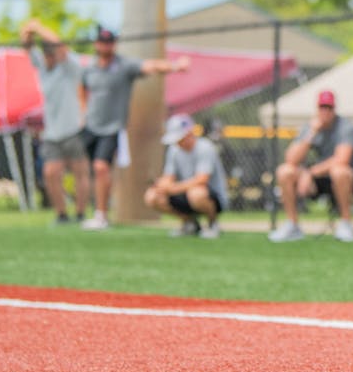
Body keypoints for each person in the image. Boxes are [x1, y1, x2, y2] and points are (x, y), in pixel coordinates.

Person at [79, 25, 190, 231]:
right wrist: (83, 112)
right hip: (91, 126)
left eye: (110, 42)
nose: (106, 46)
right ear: (96, 44)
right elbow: (82, 87)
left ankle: (101, 215)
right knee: (94, 170)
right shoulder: (90, 67)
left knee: (101, 167)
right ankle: (95, 211)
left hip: (112, 127)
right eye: (103, 42)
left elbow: (152, 65)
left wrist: (175, 66)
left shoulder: (124, 66)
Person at [268, 89, 353, 243]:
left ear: (334, 109)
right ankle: (293, 225)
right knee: (285, 171)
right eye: (322, 107)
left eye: (329, 108)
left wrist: (310, 173)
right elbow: (291, 159)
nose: (325, 111)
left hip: (349, 180)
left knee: (340, 171)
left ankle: (346, 224)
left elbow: (342, 159)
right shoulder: (311, 127)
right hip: (319, 178)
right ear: (317, 108)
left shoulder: (346, 127)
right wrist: (311, 133)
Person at [21, 18, 91, 224]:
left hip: (74, 130)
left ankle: (79, 213)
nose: (50, 56)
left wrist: (38, 27)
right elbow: (27, 46)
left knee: (80, 172)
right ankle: (61, 214)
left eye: (52, 52)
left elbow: (59, 44)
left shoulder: (70, 67)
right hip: (52, 133)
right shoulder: (43, 69)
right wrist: (27, 31)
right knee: (50, 173)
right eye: (47, 53)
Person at [143, 113, 228, 240]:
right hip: (185, 193)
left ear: (189, 133)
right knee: (152, 196)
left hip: (209, 196)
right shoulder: (174, 150)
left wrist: (173, 188)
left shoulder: (205, 147)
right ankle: (190, 223)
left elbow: (202, 179)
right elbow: (169, 176)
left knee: (196, 193)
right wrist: (162, 185)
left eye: (180, 138)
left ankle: (212, 224)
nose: (178, 142)